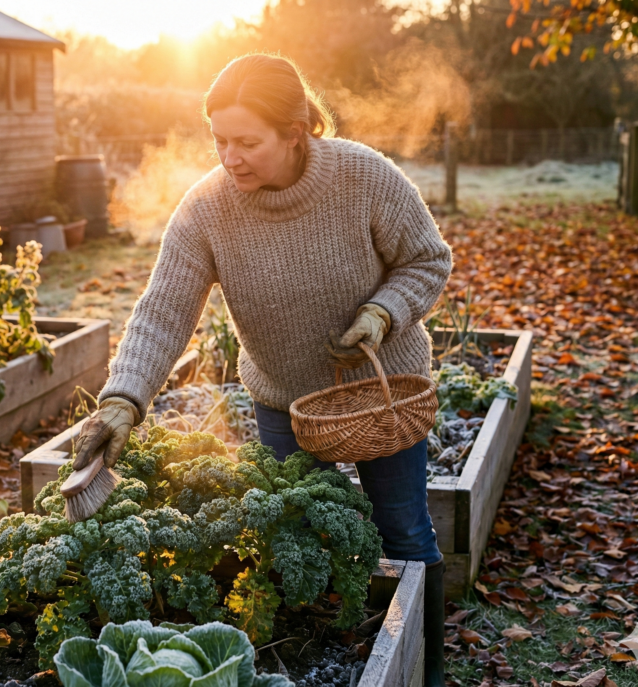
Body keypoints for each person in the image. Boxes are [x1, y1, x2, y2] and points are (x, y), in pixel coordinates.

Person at [72, 53, 452, 686]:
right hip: (283, 404)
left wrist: (383, 313)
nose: (230, 156)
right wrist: (122, 400)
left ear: (296, 132)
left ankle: (427, 669)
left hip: (383, 394)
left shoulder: (364, 177)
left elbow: (426, 259)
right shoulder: (207, 209)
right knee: (294, 544)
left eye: (248, 142)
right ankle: (326, 664)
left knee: (404, 530)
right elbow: (163, 312)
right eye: (219, 140)